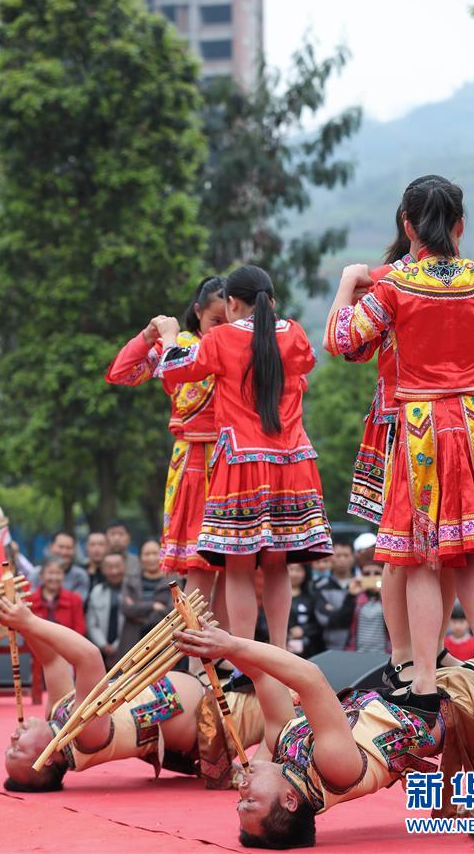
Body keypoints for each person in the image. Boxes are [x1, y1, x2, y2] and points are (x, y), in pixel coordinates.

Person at [324, 173, 474, 719]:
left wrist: (345, 283)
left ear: (408, 225)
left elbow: (342, 339)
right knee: (470, 545)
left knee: (421, 556)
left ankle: (424, 682)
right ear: (460, 225)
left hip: (421, 427)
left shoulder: (396, 287)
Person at [174, 620, 474, 846]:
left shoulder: (282, 758)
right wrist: (232, 644)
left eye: (239, 804)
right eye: (249, 805)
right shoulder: (334, 770)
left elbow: (260, 675)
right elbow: (310, 679)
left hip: (419, 687)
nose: (240, 793)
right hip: (457, 704)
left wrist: (213, 642)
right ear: (290, 802)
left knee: (407, 569)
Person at [142, 265, 332, 650]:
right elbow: (308, 362)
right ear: (272, 301)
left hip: (241, 465)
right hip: (293, 462)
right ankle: (278, 652)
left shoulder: (222, 339)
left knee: (240, 567)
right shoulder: (293, 333)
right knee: (278, 565)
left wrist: (167, 336)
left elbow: (176, 371)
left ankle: (244, 653)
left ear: (231, 303)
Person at [0, 596, 264, 794]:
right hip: (225, 718)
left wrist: (19, 621)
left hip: (212, 684)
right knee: (290, 701)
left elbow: (51, 661)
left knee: (285, 681)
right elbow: (89, 658)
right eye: (17, 749)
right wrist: (29, 621)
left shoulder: (58, 717)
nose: (12, 737)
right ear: (46, 759)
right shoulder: (84, 738)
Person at [106, 278, 227, 610]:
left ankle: (232, 654)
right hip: (192, 461)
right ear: (198, 311)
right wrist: (148, 336)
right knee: (198, 563)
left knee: (235, 567)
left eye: (228, 320)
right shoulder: (179, 346)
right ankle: (198, 654)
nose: (221, 329)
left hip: (234, 458)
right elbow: (122, 373)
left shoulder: (241, 343)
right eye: (216, 321)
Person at [118, 539, 174, 657]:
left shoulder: (173, 581)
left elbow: (172, 612)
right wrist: (153, 606)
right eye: (147, 554)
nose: (151, 558)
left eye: (155, 553)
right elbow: (126, 608)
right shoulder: (130, 580)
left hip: (161, 641)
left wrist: (139, 611)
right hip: (132, 640)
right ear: (141, 558)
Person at [86, 551, 126, 669]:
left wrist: (116, 645)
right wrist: (104, 645)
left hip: (127, 649)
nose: (114, 571)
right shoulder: (96, 591)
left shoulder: (133, 591)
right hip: (100, 652)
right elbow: (91, 623)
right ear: (103, 569)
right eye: (109, 567)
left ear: (125, 567)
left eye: (117, 566)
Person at [313, 540, 356, 650]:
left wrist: (334, 612)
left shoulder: (361, 585)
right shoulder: (321, 586)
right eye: (338, 555)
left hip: (359, 647)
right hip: (330, 648)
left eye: (346, 555)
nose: (342, 559)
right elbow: (324, 619)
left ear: (353, 557)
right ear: (331, 558)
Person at [28, 557, 86, 636]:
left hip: (67, 646)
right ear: (41, 575)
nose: (54, 578)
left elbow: (80, 630)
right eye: (50, 573)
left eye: (58, 573)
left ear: (63, 576)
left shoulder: (75, 599)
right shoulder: (29, 600)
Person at [32, 532, 90, 604]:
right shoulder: (36, 573)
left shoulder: (80, 576)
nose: (64, 552)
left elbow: (77, 604)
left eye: (69, 548)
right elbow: (30, 601)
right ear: (51, 547)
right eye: (61, 547)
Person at [344, 562, 389, 653]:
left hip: (385, 654)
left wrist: (384, 596)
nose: (372, 576)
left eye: (377, 573)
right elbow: (341, 622)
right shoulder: (355, 596)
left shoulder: (390, 597)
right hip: (358, 654)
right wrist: (350, 596)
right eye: (367, 574)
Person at [286, 563, 322, 659]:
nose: (294, 574)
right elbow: (263, 622)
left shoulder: (312, 596)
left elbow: (320, 623)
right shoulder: (274, 597)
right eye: (291, 569)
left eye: (298, 570)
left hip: (309, 651)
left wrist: (304, 630)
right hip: (281, 648)